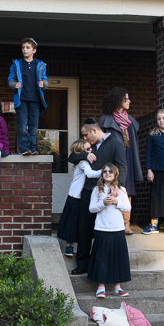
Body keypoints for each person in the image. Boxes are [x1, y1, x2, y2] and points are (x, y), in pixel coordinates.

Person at [67, 118, 127, 275]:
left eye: (85, 135)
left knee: (102, 231)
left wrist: (117, 187)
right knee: (84, 229)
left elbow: (122, 167)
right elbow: (71, 157)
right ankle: (82, 264)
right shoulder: (89, 146)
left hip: (106, 192)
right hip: (88, 192)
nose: (84, 138)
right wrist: (84, 156)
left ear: (94, 131)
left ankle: (102, 265)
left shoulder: (115, 143)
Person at [98, 87, 142, 234]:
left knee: (126, 190)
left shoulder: (131, 122)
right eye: (126, 99)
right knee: (109, 190)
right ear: (118, 101)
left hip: (127, 159)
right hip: (112, 162)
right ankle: (112, 224)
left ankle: (126, 225)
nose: (129, 101)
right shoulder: (105, 121)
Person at [88, 164, 132, 298]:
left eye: (110, 171)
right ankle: (101, 287)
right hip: (102, 228)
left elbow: (128, 207)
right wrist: (103, 203)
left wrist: (116, 201)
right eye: (105, 171)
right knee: (102, 258)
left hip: (117, 228)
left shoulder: (121, 190)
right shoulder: (97, 190)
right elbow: (91, 209)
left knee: (117, 258)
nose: (107, 173)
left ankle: (117, 287)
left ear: (115, 174)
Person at [57, 140, 102, 257]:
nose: (90, 150)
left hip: (77, 196)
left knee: (75, 222)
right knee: (72, 222)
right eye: (87, 150)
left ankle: (70, 246)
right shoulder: (83, 162)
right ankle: (69, 246)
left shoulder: (84, 161)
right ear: (81, 152)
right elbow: (90, 174)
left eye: (90, 148)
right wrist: (105, 171)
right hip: (75, 197)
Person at [7, 37, 48, 156]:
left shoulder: (40, 65)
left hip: (35, 100)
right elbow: (10, 80)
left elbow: (45, 81)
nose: (24, 50)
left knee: (34, 127)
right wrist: (15, 85)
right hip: (22, 100)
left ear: (34, 50)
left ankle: (32, 148)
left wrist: (43, 84)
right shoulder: (17, 64)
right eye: (23, 48)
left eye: (27, 48)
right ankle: (24, 148)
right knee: (22, 126)